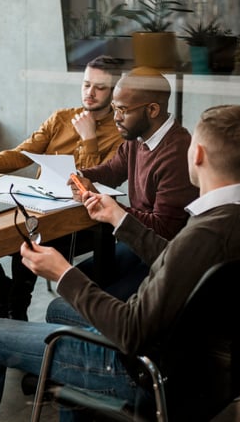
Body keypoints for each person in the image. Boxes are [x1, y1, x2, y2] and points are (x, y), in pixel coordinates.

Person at [0, 104, 240, 422]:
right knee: (57, 311)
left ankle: (80, 387)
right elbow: (179, 260)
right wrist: (119, 218)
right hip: (199, 363)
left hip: (141, 369)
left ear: (198, 154)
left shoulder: (203, 233)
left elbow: (130, 329)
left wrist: (63, 273)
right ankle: (76, 401)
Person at [0, 55, 125, 326]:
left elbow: (93, 179)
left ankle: (16, 310)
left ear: (114, 92)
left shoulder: (120, 133)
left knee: (28, 237)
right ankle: (5, 296)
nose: (90, 92)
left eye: (99, 87)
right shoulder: (61, 118)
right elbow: (23, 154)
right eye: (86, 84)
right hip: (40, 204)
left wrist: (89, 138)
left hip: (82, 219)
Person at [45, 66, 199, 326]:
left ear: (152, 110)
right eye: (115, 108)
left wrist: (111, 209)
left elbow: (164, 231)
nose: (115, 117)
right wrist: (80, 175)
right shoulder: (137, 138)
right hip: (135, 247)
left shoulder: (177, 152)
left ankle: (95, 359)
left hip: (162, 262)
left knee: (61, 308)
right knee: (69, 284)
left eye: (122, 110)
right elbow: (110, 171)